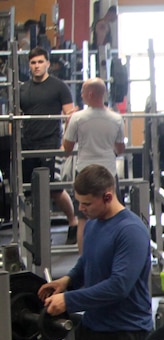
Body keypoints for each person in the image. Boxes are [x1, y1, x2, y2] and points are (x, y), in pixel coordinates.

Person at [37, 164, 152, 340]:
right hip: (94, 331)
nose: (81, 208)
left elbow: (118, 286)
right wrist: (67, 281)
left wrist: (70, 301)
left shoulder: (131, 231)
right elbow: (87, 263)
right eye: (78, 202)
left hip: (127, 335)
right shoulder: (95, 224)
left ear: (108, 196)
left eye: (86, 203)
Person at [20, 46, 78, 243]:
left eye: (40, 62)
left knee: (54, 190)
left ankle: (73, 222)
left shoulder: (59, 87)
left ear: (47, 64)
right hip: (27, 145)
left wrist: (65, 144)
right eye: (33, 63)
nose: (36, 66)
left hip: (50, 144)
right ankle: (38, 232)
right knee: (29, 190)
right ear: (29, 65)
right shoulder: (23, 89)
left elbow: (70, 116)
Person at [62, 77, 126, 251]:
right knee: (112, 216)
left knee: (83, 220)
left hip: (85, 173)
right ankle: (112, 256)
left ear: (90, 94)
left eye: (82, 92)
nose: (81, 95)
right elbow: (120, 150)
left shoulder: (76, 118)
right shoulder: (116, 118)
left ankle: (84, 264)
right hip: (109, 174)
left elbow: (66, 149)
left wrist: (67, 124)